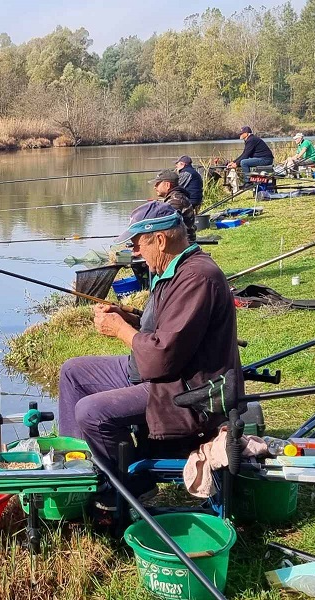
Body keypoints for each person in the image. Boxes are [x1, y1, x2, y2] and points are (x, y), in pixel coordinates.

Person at [57, 202, 242, 505]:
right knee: (73, 372)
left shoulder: (196, 278)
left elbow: (161, 358)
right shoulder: (174, 269)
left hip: (185, 387)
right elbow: (164, 328)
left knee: (91, 411)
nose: (135, 250)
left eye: (138, 242)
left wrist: (118, 329)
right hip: (155, 370)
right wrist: (128, 318)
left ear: (160, 239)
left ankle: (127, 488)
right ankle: (78, 471)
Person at [150, 169, 196, 242]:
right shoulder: (175, 197)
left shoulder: (176, 200)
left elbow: (165, 222)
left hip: (181, 244)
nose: (155, 187)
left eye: (157, 184)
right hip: (179, 241)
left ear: (167, 185)